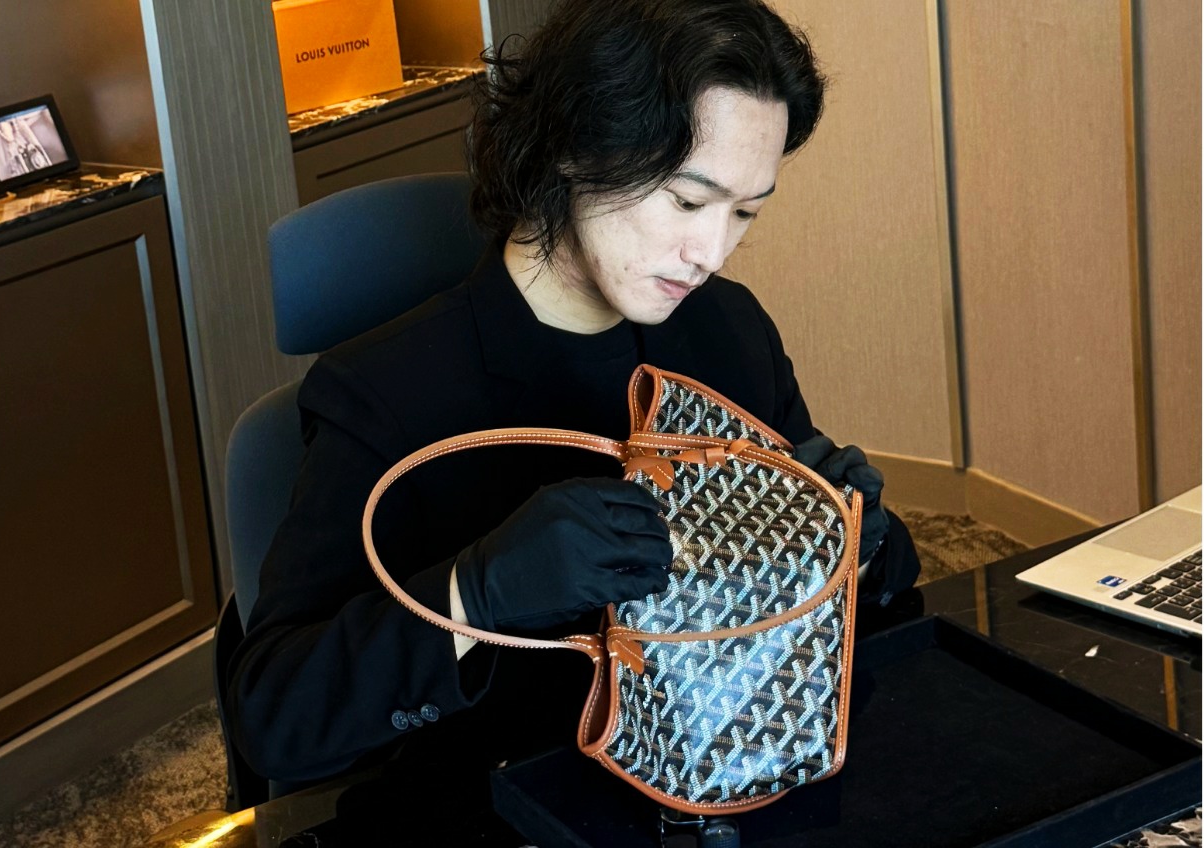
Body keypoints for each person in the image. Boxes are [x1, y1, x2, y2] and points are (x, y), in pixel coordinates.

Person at [227, 0, 921, 834]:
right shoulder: (386, 391)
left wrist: (853, 543)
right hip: (497, 806)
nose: (710, 253)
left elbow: (815, 629)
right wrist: (475, 592)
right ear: (574, 146)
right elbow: (277, 718)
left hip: (716, 779)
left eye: (744, 213)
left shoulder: (728, 331)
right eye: (686, 200)